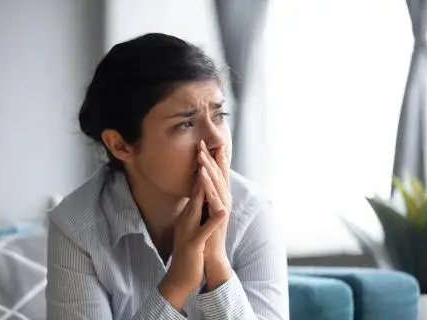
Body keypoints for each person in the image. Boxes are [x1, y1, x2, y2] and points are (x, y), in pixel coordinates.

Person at [46, 33, 288, 320]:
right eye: (186, 123)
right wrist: (177, 284)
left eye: (219, 116)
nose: (216, 141)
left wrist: (216, 264)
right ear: (120, 144)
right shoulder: (76, 226)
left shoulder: (253, 212)